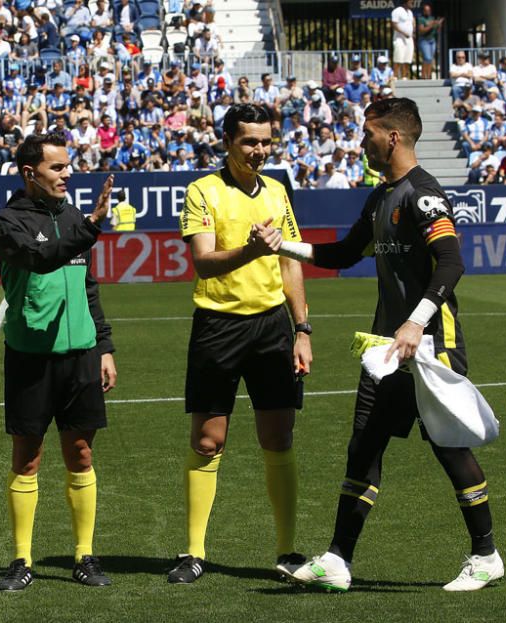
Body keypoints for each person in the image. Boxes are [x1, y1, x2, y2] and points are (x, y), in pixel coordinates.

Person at [255, 97, 504, 592]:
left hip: (432, 345)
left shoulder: (424, 195)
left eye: (367, 133)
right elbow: (345, 253)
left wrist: (415, 324)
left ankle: (486, 555)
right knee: (363, 448)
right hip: (388, 351)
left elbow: (451, 264)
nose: (360, 141)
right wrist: (281, 244)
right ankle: (337, 560)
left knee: (450, 448)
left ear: (392, 137)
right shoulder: (380, 197)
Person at [167, 103, 311, 585]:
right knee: (209, 441)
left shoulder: (276, 191)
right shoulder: (202, 191)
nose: (259, 150)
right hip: (218, 327)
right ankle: (193, 553)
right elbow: (203, 262)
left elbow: (291, 262)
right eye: (249, 141)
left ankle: (288, 551)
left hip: (273, 328)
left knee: (278, 437)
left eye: (266, 141)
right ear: (227, 140)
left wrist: (303, 330)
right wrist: (251, 249)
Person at [0, 132, 117, 592]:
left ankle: (85, 554)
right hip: (30, 359)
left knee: (81, 454)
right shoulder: (7, 223)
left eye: (68, 166)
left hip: (81, 355)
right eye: (57, 167)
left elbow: (88, 287)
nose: (67, 174)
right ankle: (21, 559)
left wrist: (103, 345)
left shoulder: (74, 217)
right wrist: (92, 226)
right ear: (30, 173)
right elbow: (41, 259)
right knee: (27, 459)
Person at [416, 3, 443, 80]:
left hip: (432, 40)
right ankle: (423, 76)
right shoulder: (421, 19)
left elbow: (436, 30)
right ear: (423, 11)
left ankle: (428, 75)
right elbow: (422, 31)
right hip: (424, 41)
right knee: (427, 58)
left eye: (429, 10)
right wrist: (431, 25)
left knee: (430, 59)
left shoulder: (432, 18)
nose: (428, 12)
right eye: (426, 10)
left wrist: (438, 25)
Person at [391, 0, 415, 80]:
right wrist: (404, 33)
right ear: (405, 2)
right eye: (411, 2)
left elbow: (412, 22)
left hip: (409, 38)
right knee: (398, 57)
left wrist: (412, 31)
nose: (412, 3)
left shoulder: (410, 12)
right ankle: (395, 76)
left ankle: (405, 76)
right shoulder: (397, 11)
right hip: (399, 39)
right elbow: (394, 24)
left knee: (407, 59)